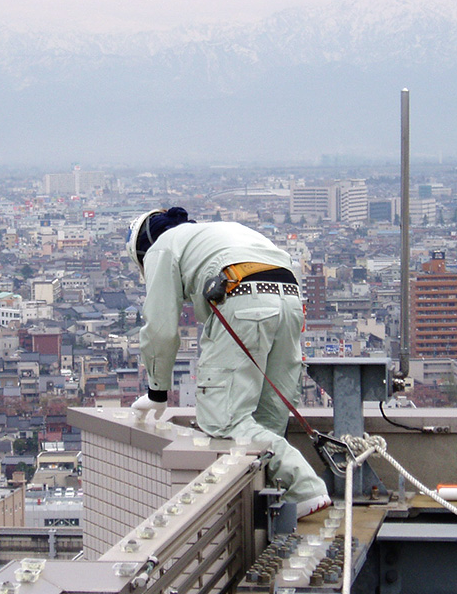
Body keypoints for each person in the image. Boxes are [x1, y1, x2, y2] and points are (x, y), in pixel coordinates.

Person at [127, 207, 330, 518]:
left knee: (223, 420)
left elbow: (160, 329)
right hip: (289, 298)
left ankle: (304, 487)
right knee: (267, 415)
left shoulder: (161, 247)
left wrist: (157, 392)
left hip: (241, 296)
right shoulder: (218, 233)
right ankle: (275, 499)